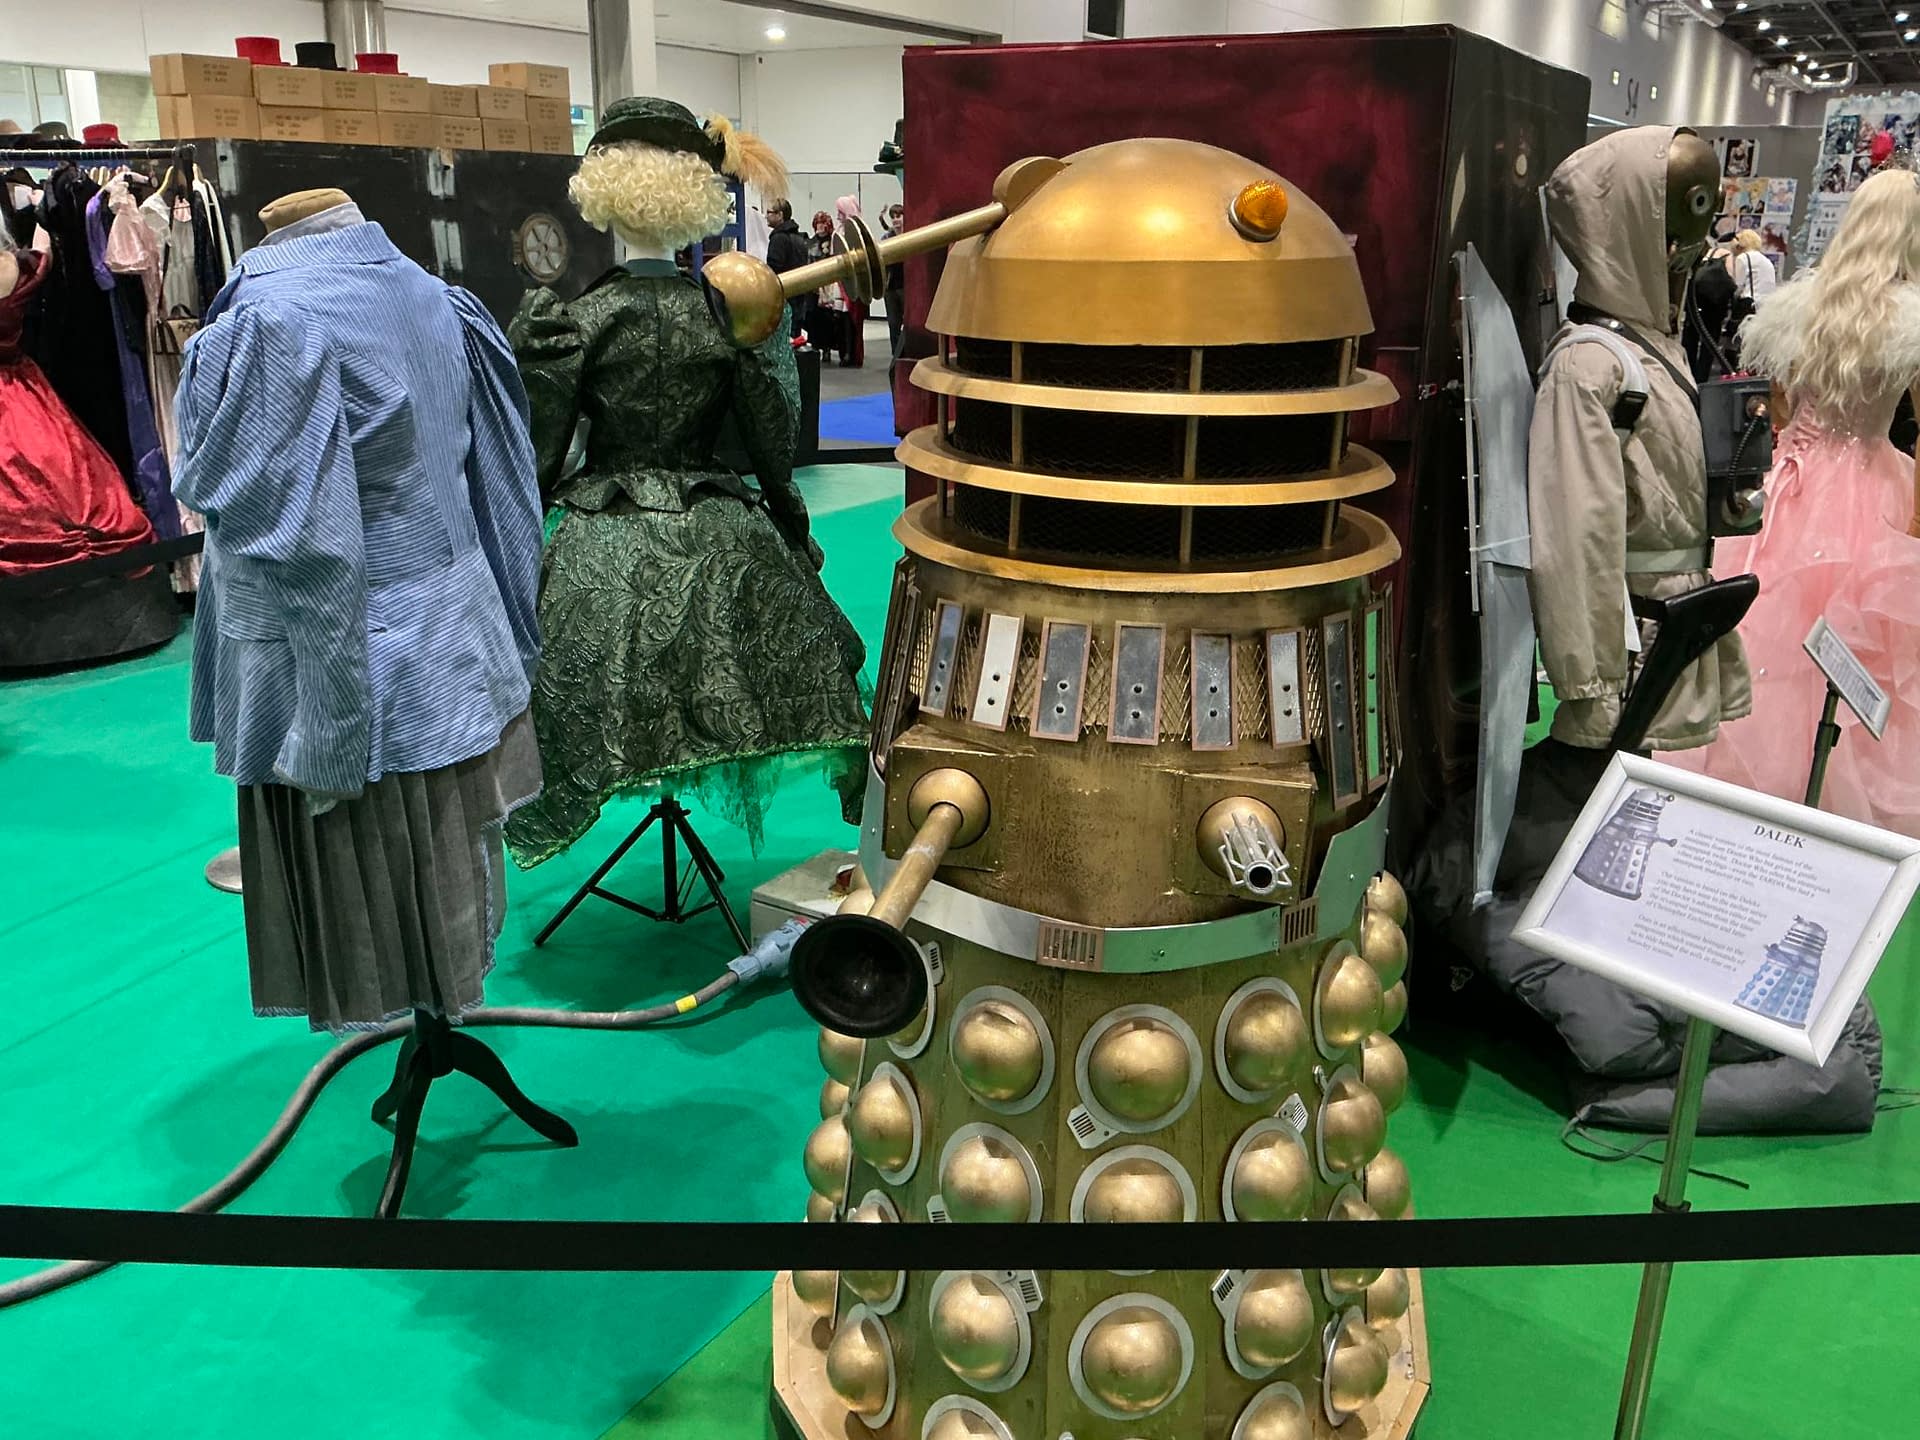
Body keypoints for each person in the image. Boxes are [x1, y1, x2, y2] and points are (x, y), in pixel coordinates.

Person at [505, 98, 869, 864]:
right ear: (694, 202)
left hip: (605, 540)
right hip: (722, 532)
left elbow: (539, 453)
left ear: (605, 199)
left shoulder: (578, 319)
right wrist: (790, 525)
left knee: (596, 686)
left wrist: (516, 548)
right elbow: (770, 440)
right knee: (748, 671)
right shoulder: (727, 317)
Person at [1672, 168, 1920, 836]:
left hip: (1788, 484)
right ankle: (1825, 800)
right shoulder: (1910, 320)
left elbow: (1777, 405)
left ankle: (1738, 773)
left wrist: (1801, 439)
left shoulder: (1801, 308)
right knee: (1859, 643)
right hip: (1870, 490)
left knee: (1764, 630)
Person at [831, 194, 868, 367]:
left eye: (840, 212)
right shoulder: (839, 231)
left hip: (855, 282)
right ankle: (844, 352)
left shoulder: (858, 232)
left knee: (853, 321)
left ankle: (853, 354)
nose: (838, 215)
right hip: (841, 281)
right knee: (841, 320)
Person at [765, 197, 809, 342]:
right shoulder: (798, 237)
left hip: (784, 296)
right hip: (798, 296)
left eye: (769, 212)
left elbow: (774, 267)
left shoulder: (778, 239)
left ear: (780, 215)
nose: (766, 216)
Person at [806, 208, 844, 359]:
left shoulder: (833, 242)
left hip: (829, 286)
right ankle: (816, 346)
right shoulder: (810, 242)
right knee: (813, 318)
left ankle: (827, 348)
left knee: (828, 320)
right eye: (817, 223)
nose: (820, 226)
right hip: (813, 287)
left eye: (823, 223)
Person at [1726, 227, 1776, 334]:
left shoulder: (1743, 258)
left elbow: (1738, 286)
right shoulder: (1765, 260)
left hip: (1749, 306)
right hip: (1766, 307)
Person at [881, 202, 906, 360]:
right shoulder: (886, 238)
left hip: (906, 286)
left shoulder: (909, 235)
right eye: (893, 217)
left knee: (908, 322)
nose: (896, 220)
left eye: (899, 216)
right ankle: (895, 355)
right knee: (893, 323)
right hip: (891, 286)